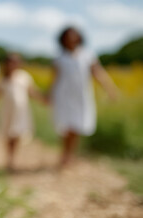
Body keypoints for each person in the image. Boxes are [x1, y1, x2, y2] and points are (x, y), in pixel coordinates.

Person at [48, 26, 119, 168]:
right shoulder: (59, 58)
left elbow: (98, 73)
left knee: (76, 126)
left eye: (74, 35)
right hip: (63, 96)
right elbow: (54, 79)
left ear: (79, 37)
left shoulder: (87, 55)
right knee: (65, 126)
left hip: (80, 96)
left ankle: (69, 155)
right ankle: (65, 153)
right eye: (68, 35)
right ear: (63, 39)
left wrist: (109, 88)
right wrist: (49, 95)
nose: (71, 38)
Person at [0, 53, 45, 172]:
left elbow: (32, 91)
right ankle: (9, 158)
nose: (12, 65)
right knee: (8, 135)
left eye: (15, 62)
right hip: (8, 112)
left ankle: (12, 159)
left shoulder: (24, 77)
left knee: (16, 134)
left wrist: (43, 99)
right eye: (10, 62)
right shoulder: (4, 79)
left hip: (20, 112)